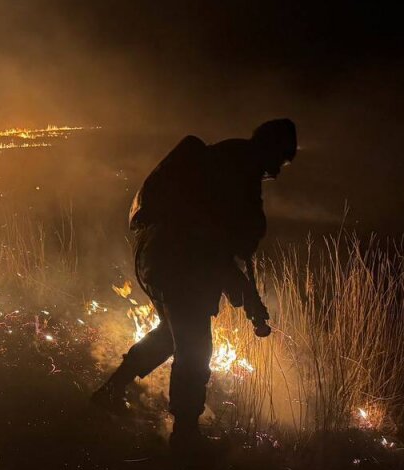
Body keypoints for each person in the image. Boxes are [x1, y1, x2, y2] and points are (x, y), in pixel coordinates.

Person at [91, 119, 297, 453]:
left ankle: (110, 393)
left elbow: (218, 248)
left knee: (173, 336)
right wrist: (247, 297)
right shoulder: (238, 173)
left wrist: (247, 297)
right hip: (176, 262)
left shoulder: (227, 160)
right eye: (281, 160)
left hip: (156, 256)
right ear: (272, 148)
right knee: (195, 348)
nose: (277, 170)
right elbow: (215, 247)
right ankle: (185, 438)